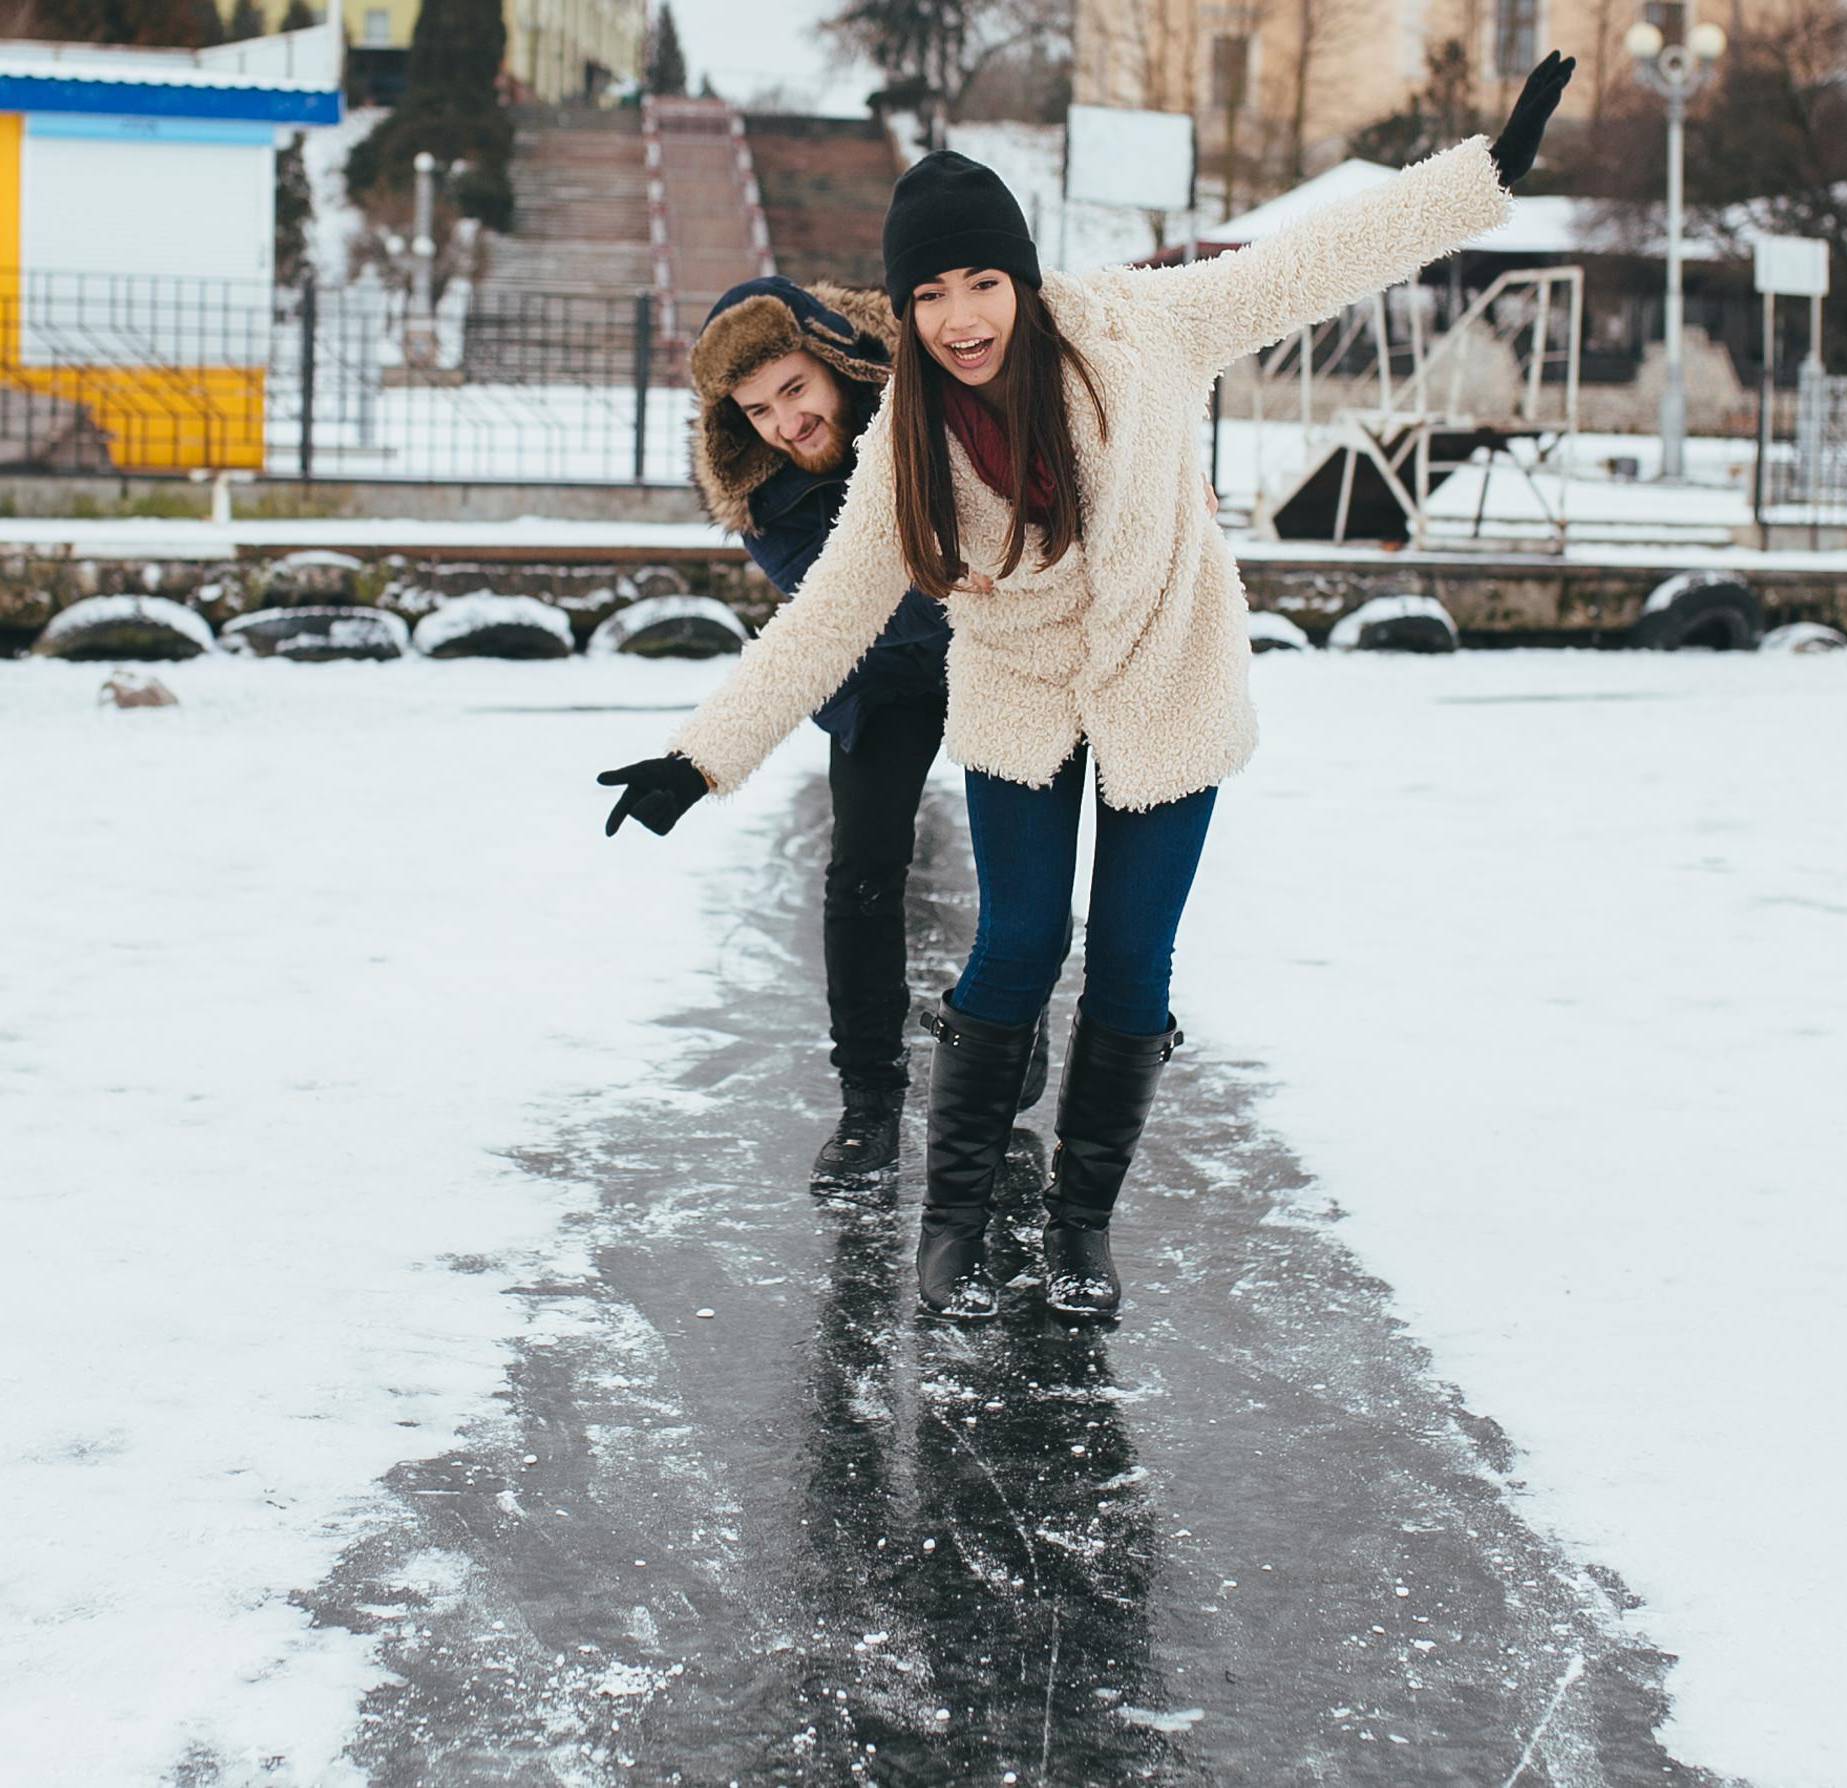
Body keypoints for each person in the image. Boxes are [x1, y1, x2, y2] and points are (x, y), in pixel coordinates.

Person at [602, 53, 1576, 1321]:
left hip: (1168, 674)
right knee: (1017, 941)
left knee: (1132, 961)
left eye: (983, 283)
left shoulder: (1140, 327)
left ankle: (1079, 1228)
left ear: (1021, 277)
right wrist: (700, 756)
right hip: (1018, 693)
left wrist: (1481, 179)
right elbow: (824, 619)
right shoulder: (906, 436)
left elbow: (1306, 261)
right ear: (904, 305)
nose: (961, 319)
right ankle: (951, 1226)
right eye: (932, 294)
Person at [671, 276, 1053, 1196]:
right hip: (879, 671)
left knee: (1027, 852)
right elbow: (851, 612)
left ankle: (999, 1047)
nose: (785, 424)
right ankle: (868, 1100)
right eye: (758, 410)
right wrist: (956, 578)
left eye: (795, 391)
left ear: (836, 364)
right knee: (862, 870)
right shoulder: (760, 487)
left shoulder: (930, 406)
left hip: (996, 653)